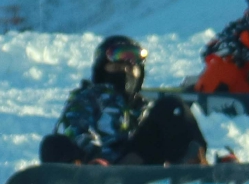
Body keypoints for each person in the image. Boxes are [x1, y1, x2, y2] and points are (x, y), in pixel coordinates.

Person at [42, 35, 208, 166]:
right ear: (102, 70)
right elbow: (74, 127)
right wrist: (94, 155)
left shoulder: (145, 107)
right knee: (53, 144)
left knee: (172, 107)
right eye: (117, 67)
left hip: (133, 166)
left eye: (130, 68)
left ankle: (194, 171)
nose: (125, 71)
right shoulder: (87, 98)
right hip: (97, 171)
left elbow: (154, 140)